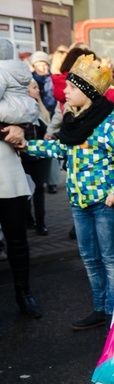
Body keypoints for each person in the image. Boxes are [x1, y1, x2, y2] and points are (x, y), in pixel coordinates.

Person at [23, 54, 114, 331]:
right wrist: (25, 145)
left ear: (87, 91)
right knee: (91, 259)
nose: (65, 92)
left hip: (105, 203)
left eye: (71, 87)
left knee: (110, 260)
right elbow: (59, 148)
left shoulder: (107, 123)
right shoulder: (73, 121)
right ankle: (99, 309)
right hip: (79, 202)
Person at [0, 38, 42, 319]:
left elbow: (34, 119)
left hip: (8, 169)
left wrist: (21, 128)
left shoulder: (11, 79)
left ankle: (24, 293)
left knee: (17, 237)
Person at [21, 79, 52, 235]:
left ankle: (41, 222)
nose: (37, 90)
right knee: (26, 190)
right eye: (34, 88)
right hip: (24, 157)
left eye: (38, 87)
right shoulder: (20, 110)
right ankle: (28, 220)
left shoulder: (42, 110)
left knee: (39, 189)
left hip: (40, 158)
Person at [28, 51, 57, 116]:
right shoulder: (30, 80)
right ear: (34, 67)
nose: (42, 68)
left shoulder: (54, 79)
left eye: (44, 65)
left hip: (53, 114)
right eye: (38, 65)